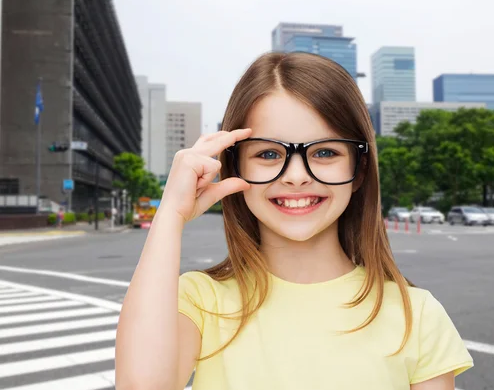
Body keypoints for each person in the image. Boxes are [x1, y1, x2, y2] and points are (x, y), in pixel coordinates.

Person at [115, 52, 474, 390]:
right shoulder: (199, 299)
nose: (297, 176)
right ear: (235, 165)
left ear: (359, 169)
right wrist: (170, 215)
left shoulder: (417, 313)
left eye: (325, 152)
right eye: (269, 153)